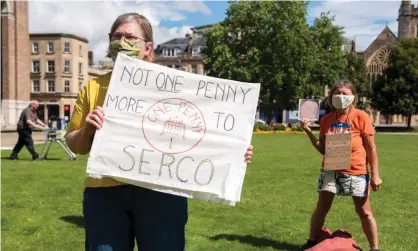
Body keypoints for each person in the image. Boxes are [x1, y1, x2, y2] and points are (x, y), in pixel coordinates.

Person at [65, 13, 254, 251]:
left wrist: (234, 150)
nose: (123, 42)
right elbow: (74, 145)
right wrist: (87, 130)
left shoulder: (178, 87)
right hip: (104, 194)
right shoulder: (93, 87)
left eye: (131, 37)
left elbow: (202, 130)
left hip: (161, 193)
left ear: (148, 47)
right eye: (117, 36)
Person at [300, 80, 382, 251]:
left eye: (345, 93)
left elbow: (371, 147)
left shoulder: (361, 116)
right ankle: (312, 241)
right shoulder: (326, 120)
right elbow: (323, 149)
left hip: (356, 171)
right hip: (330, 169)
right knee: (321, 208)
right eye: (337, 93)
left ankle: (375, 248)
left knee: (364, 212)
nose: (341, 96)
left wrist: (375, 174)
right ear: (331, 97)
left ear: (353, 97)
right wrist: (308, 131)